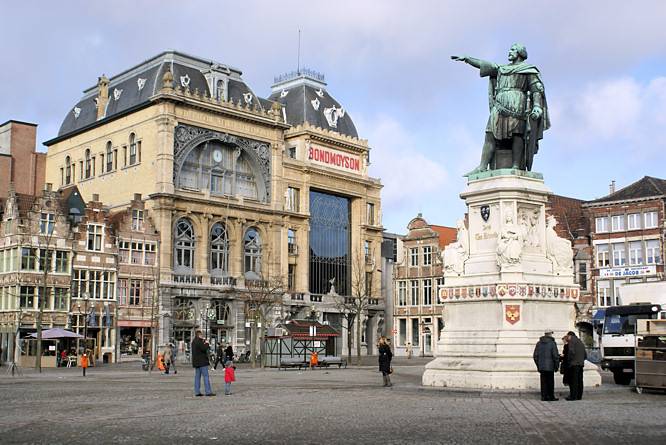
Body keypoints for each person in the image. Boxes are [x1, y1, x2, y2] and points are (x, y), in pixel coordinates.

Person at [452, 43, 550, 174]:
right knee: (490, 133)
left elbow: (536, 89)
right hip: (499, 106)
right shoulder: (501, 69)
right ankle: (482, 166)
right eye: (510, 49)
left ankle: (516, 166)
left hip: (517, 105)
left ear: (520, 53)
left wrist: (537, 106)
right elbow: (484, 64)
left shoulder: (528, 70)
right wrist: (468, 59)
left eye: (513, 49)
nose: (509, 51)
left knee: (517, 135)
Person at [533, 329, 559, 401]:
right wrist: (556, 366)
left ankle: (544, 396)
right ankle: (551, 396)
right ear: (550, 334)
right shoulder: (552, 343)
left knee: (543, 382)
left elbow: (535, 356)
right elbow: (555, 356)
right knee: (550, 382)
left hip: (542, 366)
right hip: (550, 366)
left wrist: (538, 365)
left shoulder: (539, 343)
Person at [191, 330, 215, 397]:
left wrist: (203, 342)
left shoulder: (193, 342)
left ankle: (197, 391)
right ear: (199, 335)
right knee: (206, 376)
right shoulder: (199, 341)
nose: (202, 336)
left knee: (197, 377)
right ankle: (208, 391)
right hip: (202, 362)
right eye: (201, 335)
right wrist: (207, 343)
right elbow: (204, 348)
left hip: (196, 362)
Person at [566, 331, 586, 401]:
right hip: (581, 364)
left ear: (569, 336)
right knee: (580, 380)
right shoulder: (580, 342)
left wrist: (569, 361)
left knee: (573, 381)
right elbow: (585, 354)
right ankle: (579, 396)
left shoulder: (572, 341)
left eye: (567, 336)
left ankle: (573, 396)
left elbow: (571, 352)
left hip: (574, 364)